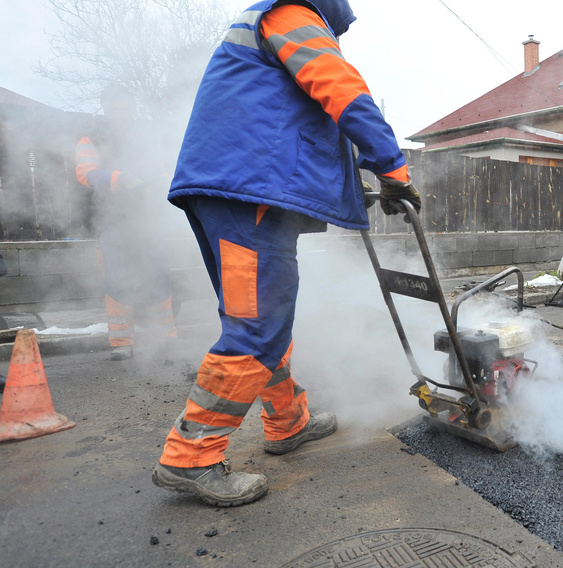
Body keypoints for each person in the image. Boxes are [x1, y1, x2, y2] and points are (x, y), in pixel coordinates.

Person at [150, 0, 421, 507]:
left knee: (267, 316)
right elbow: (340, 87)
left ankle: (286, 422)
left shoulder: (274, 21)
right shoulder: (293, 13)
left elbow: (294, 116)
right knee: (256, 327)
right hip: (247, 190)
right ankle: (191, 455)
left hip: (242, 189)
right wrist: (393, 167)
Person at [75, 84, 179, 361]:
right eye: (115, 105)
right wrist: (118, 177)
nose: (122, 110)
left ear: (133, 107)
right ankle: (121, 342)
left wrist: (159, 182)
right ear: (106, 108)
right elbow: (85, 173)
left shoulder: (147, 134)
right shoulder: (91, 138)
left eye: (126, 105)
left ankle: (164, 339)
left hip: (148, 220)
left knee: (158, 278)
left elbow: (164, 167)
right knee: (118, 282)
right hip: (112, 222)